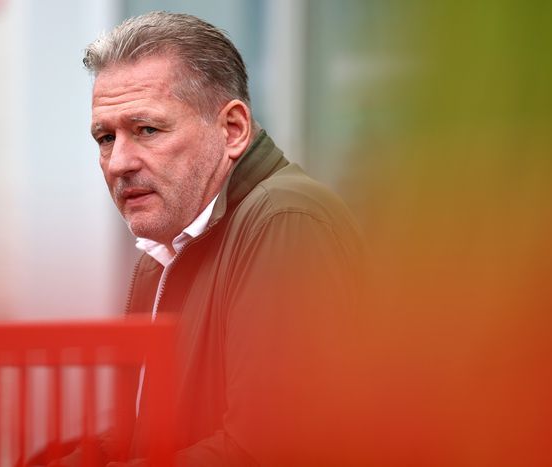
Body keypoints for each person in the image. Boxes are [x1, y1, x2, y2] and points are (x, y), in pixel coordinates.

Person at [82, 11, 366, 466]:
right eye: (105, 138)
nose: (118, 163)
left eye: (147, 130)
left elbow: (269, 449)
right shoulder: (167, 248)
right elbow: (142, 435)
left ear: (232, 129)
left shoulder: (285, 222)